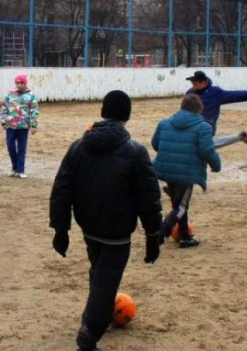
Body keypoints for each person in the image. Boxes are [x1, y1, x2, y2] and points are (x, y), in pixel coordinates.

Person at [49, 90, 164, 351]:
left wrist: (62, 228)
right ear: (127, 116)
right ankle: (89, 334)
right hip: (117, 230)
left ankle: (100, 317)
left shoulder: (79, 146)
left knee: (100, 274)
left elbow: (61, 189)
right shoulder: (135, 152)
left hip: (88, 225)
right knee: (105, 280)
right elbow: (149, 197)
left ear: (103, 112)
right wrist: (152, 234)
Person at [152, 94, 222, 248]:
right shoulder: (203, 127)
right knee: (182, 206)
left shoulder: (164, 123)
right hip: (187, 172)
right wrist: (216, 166)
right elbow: (207, 151)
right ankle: (163, 231)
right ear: (199, 110)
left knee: (178, 204)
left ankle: (184, 236)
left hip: (166, 168)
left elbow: (155, 144)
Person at [185, 70, 247, 147]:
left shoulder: (215, 93)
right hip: (191, 127)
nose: (193, 86)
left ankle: (239, 138)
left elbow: (235, 95)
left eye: (195, 84)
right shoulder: (190, 93)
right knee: (207, 146)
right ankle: (239, 137)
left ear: (204, 82)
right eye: (192, 84)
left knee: (206, 146)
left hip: (207, 128)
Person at [0, 74, 39, 179]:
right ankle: (15, 167)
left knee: (22, 148)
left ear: (25, 83)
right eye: (17, 83)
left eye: (21, 83)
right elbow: (4, 108)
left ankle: (21, 170)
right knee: (10, 146)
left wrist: (34, 125)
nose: (19, 85)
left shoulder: (31, 96)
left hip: (23, 126)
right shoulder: (10, 94)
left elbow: (34, 110)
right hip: (11, 125)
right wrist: (3, 121)